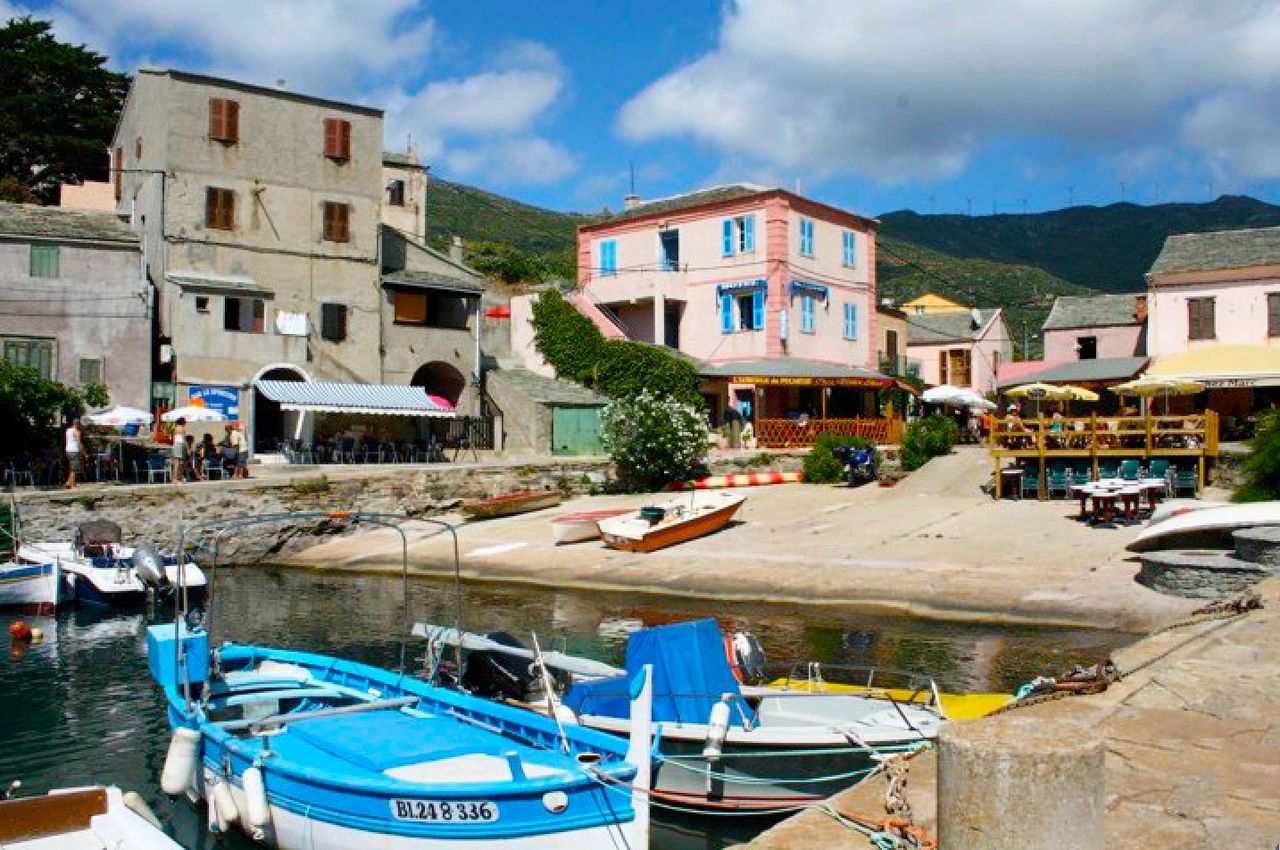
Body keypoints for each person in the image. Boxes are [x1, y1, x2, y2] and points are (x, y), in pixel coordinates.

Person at [64, 417, 83, 488]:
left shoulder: (68, 430)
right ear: (77, 424)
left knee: (71, 467)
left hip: (68, 450)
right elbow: (78, 442)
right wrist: (83, 452)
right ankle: (72, 484)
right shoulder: (77, 431)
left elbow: (67, 441)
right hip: (74, 450)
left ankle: (69, 482)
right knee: (74, 469)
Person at [170, 417, 187, 482]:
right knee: (178, 463)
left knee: (179, 462)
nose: (185, 422)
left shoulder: (175, 428)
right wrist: (187, 448)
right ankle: (176, 478)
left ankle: (177, 478)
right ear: (182, 422)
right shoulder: (181, 428)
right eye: (185, 421)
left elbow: (174, 438)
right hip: (180, 445)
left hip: (177, 445)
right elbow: (184, 439)